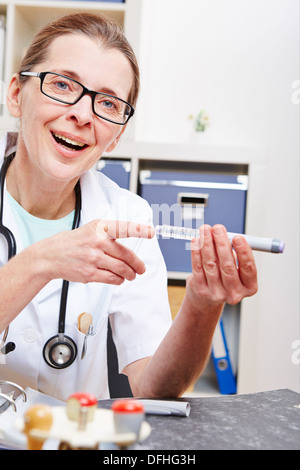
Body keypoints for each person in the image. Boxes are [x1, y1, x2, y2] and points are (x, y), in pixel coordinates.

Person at [0, 13, 257, 402]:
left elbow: (152, 386)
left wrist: (203, 305)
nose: (82, 115)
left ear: (117, 134)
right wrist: (41, 262)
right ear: (17, 94)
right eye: (63, 84)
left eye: (107, 103)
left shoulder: (129, 217)